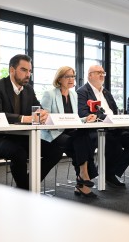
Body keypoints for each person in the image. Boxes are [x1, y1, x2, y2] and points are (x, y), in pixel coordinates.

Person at [0, 54, 62, 190]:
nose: (28, 74)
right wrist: (23, 118)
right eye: (24, 70)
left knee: (56, 150)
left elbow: (38, 108)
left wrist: (43, 113)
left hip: (22, 136)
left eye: (30, 71)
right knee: (18, 152)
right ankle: (26, 188)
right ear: (12, 70)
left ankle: (25, 187)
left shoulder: (28, 90)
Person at [77, 65, 129, 187]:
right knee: (114, 144)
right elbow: (83, 113)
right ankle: (108, 174)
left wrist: (120, 118)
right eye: (99, 72)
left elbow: (115, 110)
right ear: (90, 75)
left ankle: (111, 172)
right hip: (97, 130)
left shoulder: (106, 92)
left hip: (115, 128)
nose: (102, 75)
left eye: (103, 72)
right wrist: (107, 119)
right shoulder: (82, 92)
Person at [41, 66, 98, 198]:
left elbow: (74, 118)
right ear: (59, 79)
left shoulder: (73, 94)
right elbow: (43, 118)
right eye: (68, 76)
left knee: (85, 136)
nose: (71, 79)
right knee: (78, 141)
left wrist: (85, 118)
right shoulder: (49, 94)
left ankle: (82, 177)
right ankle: (83, 176)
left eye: (73, 76)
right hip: (53, 132)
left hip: (70, 130)